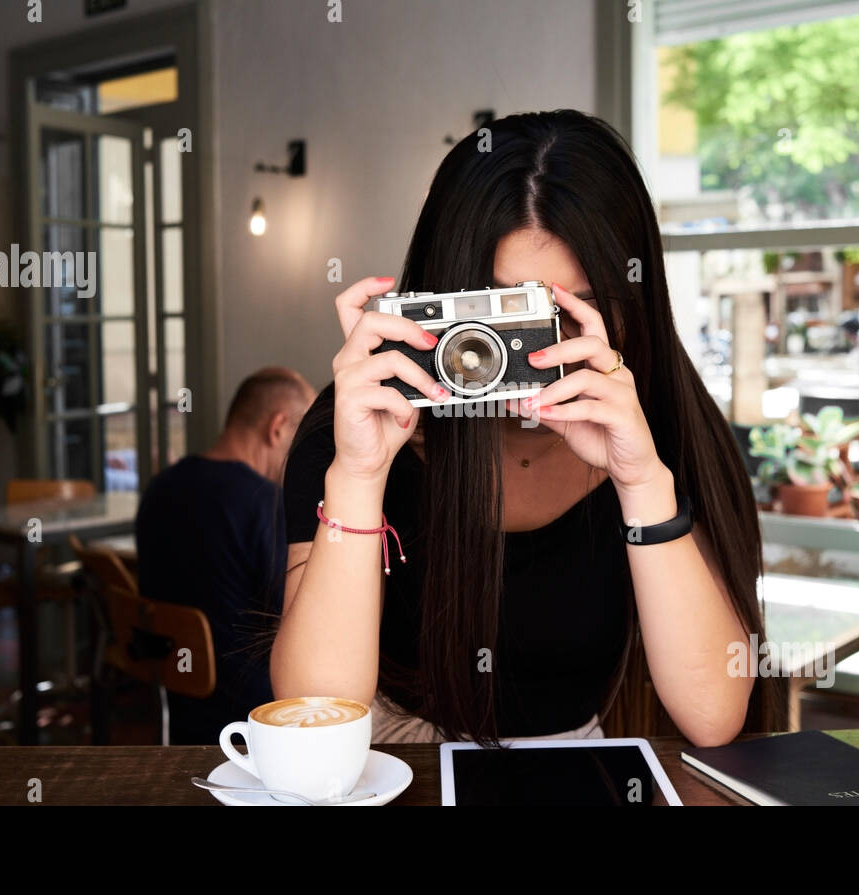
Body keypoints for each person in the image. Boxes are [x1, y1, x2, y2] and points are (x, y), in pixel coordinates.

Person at [273, 110, 784, 747]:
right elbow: (313, 712)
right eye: (505, 314)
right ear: (441, 301)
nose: (544, 349)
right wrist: (358, 476)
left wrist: (640, 479)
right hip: (390, 768)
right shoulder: (361, 424)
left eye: (582, 305)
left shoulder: (669, 428)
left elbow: (713, 715)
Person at [136, 366, 316, 744]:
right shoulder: (263, 504)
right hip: (251, 710)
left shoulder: (160, 487)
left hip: (176, 700)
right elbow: (299, 620)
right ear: (278, 427)